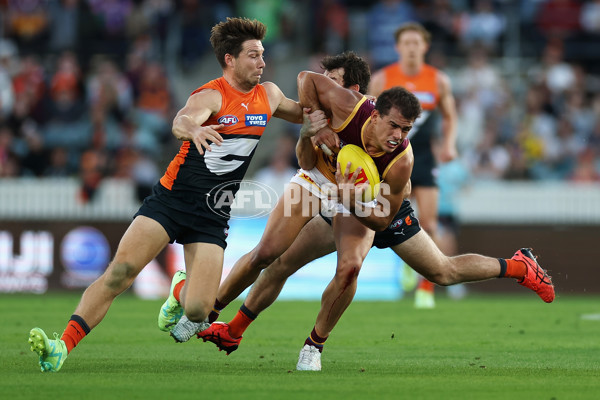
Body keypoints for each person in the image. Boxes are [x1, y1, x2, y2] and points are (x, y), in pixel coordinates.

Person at [168, 55, 555, 372]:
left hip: (371, 203)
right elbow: (305, 81)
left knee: (436, 271)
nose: (399, 136)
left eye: (406, 129)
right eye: (394, 126)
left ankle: (520, 266)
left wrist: (350, 199)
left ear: (354, 88)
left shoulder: (401, 159)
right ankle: (220, 319)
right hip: (321, 184)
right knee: (271, 255)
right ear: (373, 113)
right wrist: (313, 126)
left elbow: (382, 218)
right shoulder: (344, 106)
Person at [27, 17, 306, 373]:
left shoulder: (269, 95)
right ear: (229, 60)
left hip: (212, 213)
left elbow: (303, 114)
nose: (262, 62)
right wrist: (194, 129)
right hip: (172, 200)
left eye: (262, 55)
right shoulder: (212, 94)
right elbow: (181, 120)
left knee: (198, 312)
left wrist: (340, 111)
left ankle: (179, 291)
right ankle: (60, 346)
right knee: (120, 272)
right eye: (253, 55)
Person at [368, 22, 458, 308]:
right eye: (405, 43)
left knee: (430, 222)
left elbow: (450, 116)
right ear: (397, 47)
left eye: (415, 43)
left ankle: (425, 287)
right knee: (390, 217)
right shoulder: (384, 79)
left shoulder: (438, 80)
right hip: (392, 159)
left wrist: (449, 144)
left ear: (425, 47)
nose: (411, 48)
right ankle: (408, 261)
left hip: (425, 159)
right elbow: (367, 116)